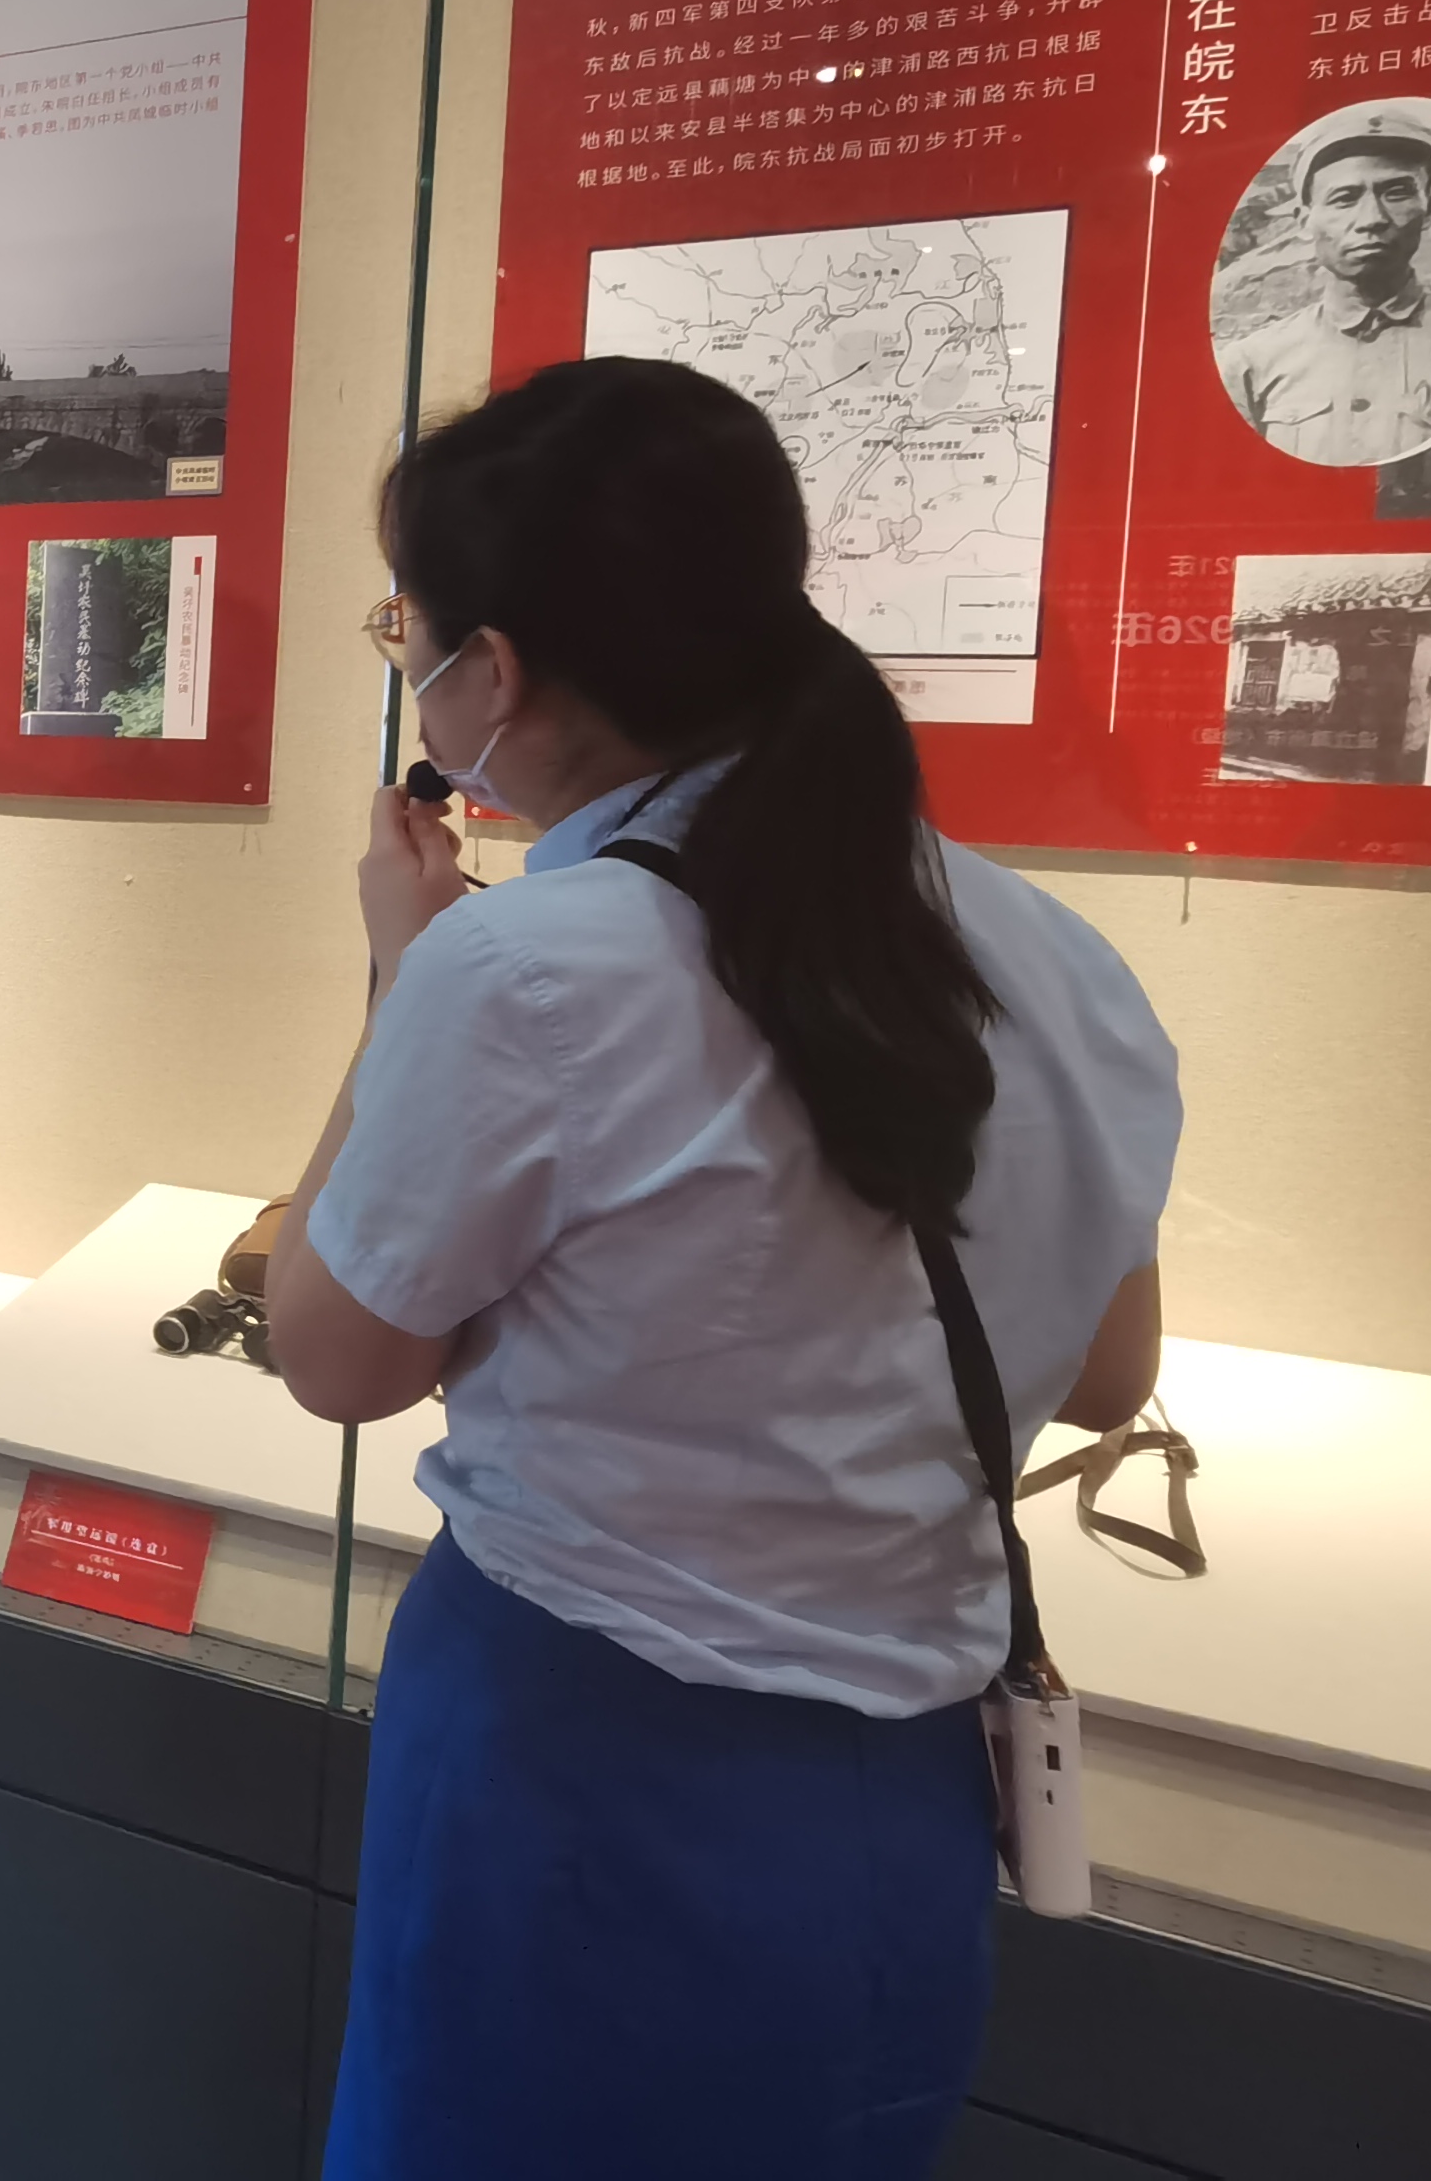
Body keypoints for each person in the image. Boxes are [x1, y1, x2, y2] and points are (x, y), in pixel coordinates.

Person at [268, 358, 1180, 2178]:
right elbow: (1105, 1370)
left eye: (406, 630)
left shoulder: (527, 966)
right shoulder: (1054, 954)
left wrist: (398, 975)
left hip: (577, 1779)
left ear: (491, 673)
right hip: (900, 1804)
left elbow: (335, 1357)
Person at [1218, 114, 1431, 464]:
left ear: (1430, 208)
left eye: (1396, 193)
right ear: (1304, 220)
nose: (1373, 218)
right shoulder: (1252, 362)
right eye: (1344, 198)